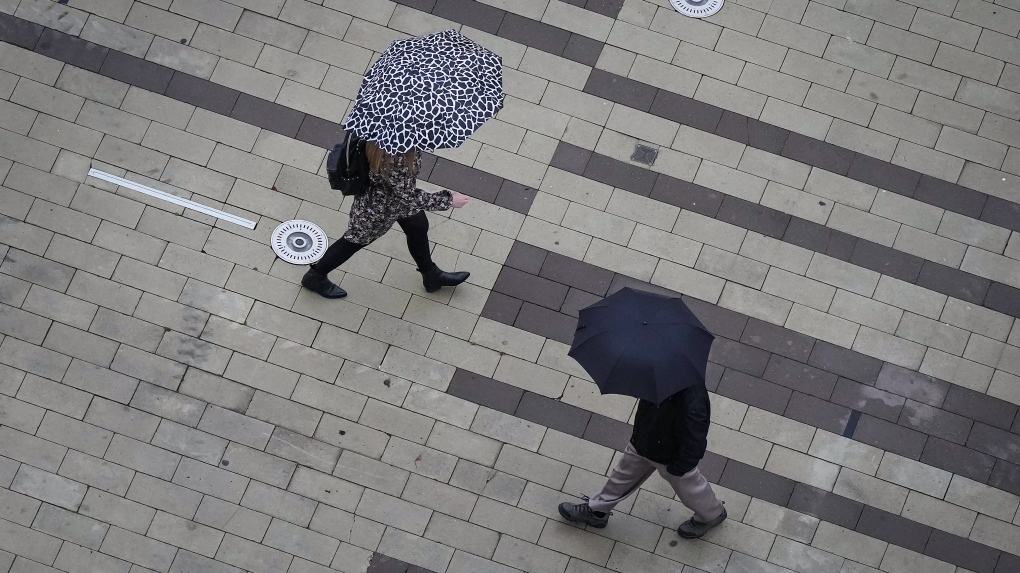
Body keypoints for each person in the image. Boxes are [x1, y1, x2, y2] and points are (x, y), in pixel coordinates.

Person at [302, 142, 471, 299]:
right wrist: (448, 200)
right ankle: (315, 277)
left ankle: (431, 275)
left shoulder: (388, 138)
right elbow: (408, 196)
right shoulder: (396, 158)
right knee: (353, 241)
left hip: (391, 197)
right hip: (379, 208)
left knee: (418, 226)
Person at [558, 384, 727, 539]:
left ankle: (711, 515)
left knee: (692, 490)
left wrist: (681, 466)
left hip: (670, 458)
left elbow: (695, 440)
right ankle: (597, 511)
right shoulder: (657, 378)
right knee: (620, 477)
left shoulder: (694, 399)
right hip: (642, 443)